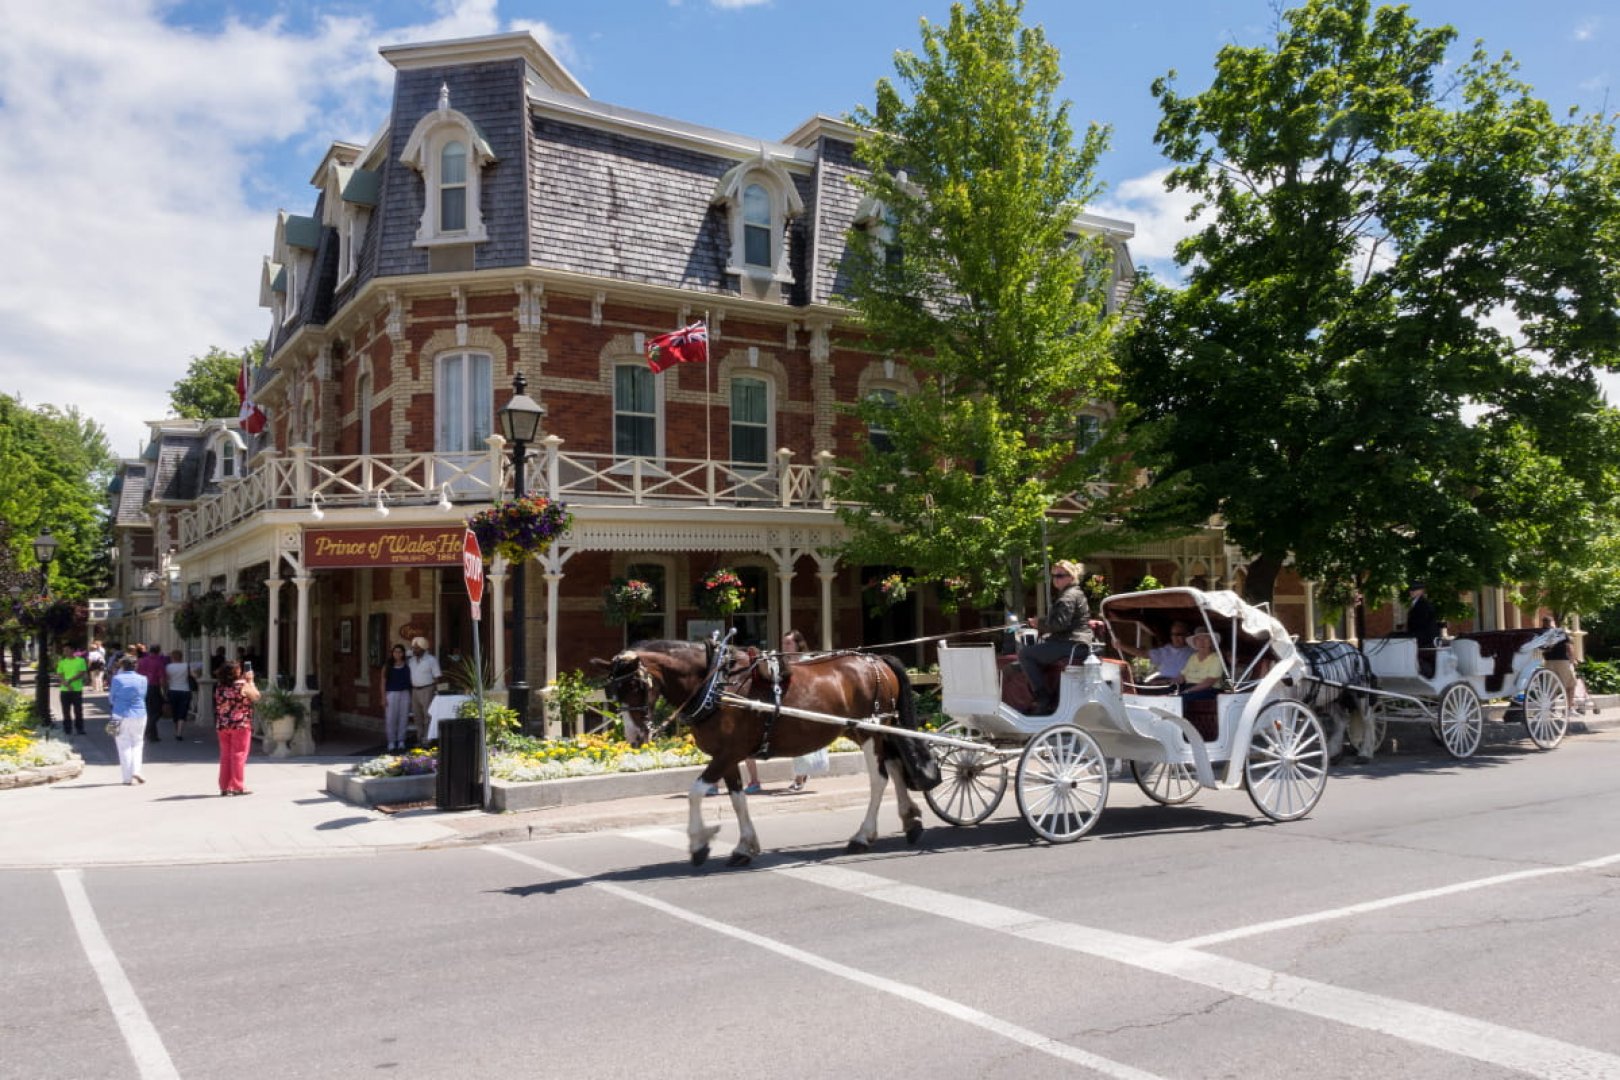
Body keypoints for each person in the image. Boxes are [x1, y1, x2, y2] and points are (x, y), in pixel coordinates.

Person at [1016, 559, 1094, 714]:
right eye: (1053, 576)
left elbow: (1059, 625)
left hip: (1072, 644)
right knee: (1035, 652)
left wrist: (1039, 623)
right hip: (1075, 643)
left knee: (1025, 654)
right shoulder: (1073, 593)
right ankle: (1050, 696)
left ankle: (1043, 697)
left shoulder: (1068, 597)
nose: (1055, 579)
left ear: (1071, 577)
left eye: (1059, 575)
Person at [213, 659, 260, 796]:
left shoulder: (219, 686)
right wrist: (250, 680)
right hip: (240, 724)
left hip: (223, 724)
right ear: (236, 672)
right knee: (239, 755)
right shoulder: (242, 685)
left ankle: (224, 785)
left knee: (225, 756)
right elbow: (256, 696)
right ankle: (238, 785)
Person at [108, 656, 149, 785]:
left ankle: (127, 777)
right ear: (135, 666)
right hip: (139, 713)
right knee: (137, 743)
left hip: (119, 713)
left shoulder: (116, 679)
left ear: (122, 666)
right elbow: (143, 695)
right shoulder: (143, 679)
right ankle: (137, 770)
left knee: (122, 744)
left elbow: (111, 698)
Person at [1115, 620, 1194, 686]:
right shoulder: (1165, 650)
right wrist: (1121, 646)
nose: (1175, 637)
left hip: (1179, 684)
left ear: (1187, 634)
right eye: (1173, 634)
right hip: (1161, 682)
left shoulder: (1193, 652)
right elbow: (1143, 653)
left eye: (1179, 634)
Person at [407, 637, 441, 746]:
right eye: (413, 648)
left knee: (427, 715)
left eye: (416, 648)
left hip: (427, 689)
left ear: (423, 648)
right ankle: (419, 737)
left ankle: (427, 739)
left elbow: (437, 677)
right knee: (417, 716)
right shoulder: (411, 661)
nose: (414, 650)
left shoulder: (431, 660)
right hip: (415, 690)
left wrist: (436, 691)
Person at [1179, 628, 1225, 702]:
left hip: (1209, 690)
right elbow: (1182, 676)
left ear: (1211, 642)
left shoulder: (1217, 658)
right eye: (1198, 639)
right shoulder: (1193, 657)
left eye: (1205, 639)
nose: (1201, 642)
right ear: (1195, 643)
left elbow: (1209, 682)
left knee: (1181, 698)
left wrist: (1187, 691)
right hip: (1189, 688)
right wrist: (1169, 683)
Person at [1539, 615, 1577, 703]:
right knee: (1571, 685)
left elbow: (1541, 648)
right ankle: (1569, 709)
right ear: (1553, 622)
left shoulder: (1542, 634)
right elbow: (1569, 647)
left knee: (1551, 688)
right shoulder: (1559, 632)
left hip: (1548, 662)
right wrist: (1573, 660)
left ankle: (1552, 709)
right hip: (1562, 661)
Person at [383, 643, 413, 751]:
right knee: (391, 718)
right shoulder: (388, 666)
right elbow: (383, 682)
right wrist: (383, 697)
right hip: (392, 694)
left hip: (405, 693)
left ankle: (401, 740)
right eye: (395, 652)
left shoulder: (407, 665)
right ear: (392, 653)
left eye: (400, 652)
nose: (397, 654)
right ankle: (391, 741)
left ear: (403, 653)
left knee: (403, 717)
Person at [137, 643, 169, 742]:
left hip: (142, 686)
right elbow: (162, 678)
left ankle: (153, 734)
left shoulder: (142, 661)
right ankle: (149, 728)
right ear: (158, 651)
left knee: (149, 710)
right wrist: (165, 691)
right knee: (157, 711)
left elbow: (137, 673)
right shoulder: (158, 662)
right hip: (153, 687)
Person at [54, 646, 88, 736]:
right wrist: (67, 684)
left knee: (78, 710)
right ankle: (67, 729)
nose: (65, 652)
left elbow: (81, 673)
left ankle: (79, 728)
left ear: (73, 650)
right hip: (65, 690)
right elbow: (60, 674)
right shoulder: (62, 662)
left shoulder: (80, 661)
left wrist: (70, 680)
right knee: (66, 710)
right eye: (64, 650)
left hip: (76, 689)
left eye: (67, 650)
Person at [164, 649, 196, 741]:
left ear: (172, 657)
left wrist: (165, 691)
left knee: (175, 711)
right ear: (181, 657)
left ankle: (176, 730)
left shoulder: (168, 667)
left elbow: (166, 680)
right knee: (183, 711)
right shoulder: (186, 665)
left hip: (173, 690)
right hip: (185, 690)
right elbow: (194, 675)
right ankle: (179, 733)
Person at [1405, 583, 1442, 648]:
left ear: (1421, 591)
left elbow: (1421, 622)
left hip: (1425, 639)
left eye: (1414, 590)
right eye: (1410, 590)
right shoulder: (1416, 603)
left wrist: (1412, 635)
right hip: (1419, 638)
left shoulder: (1423, 604)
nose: (1411, 592)